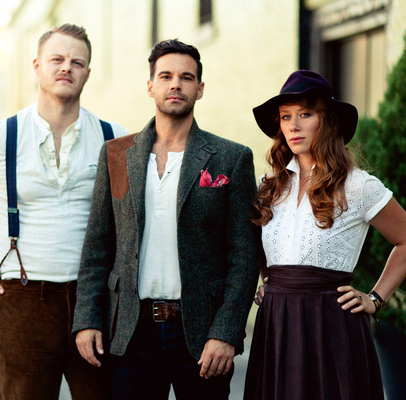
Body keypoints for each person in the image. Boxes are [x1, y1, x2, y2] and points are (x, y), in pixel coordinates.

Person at [0, 23, 127, 400]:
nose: (66, 67)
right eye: (57, 59)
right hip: (23, 301)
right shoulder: (0, 136)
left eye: (77, 62)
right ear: (37, 66)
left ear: (88, 73)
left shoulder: (113, 137)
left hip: (95, 301)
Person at [72, 39, 260, 400]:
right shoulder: (116, 154)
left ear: (199, 89)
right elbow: (97, 246)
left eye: (186, 77)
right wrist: (87, 320)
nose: (176, 84)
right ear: (150, 86)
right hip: (130, 330)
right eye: (166, 76)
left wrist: (226, 332)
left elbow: (244, 255)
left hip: (201, 333)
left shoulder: (230, 158)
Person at [244, 70, 406, 400]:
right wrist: (269, 280)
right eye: (286, 117)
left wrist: (375, 299)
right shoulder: (268, 186)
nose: (293, 126)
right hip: (276, 323)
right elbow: (259, 245)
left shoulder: (357, 185)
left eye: (305, 114)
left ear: (325, 121)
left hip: (331, 325)